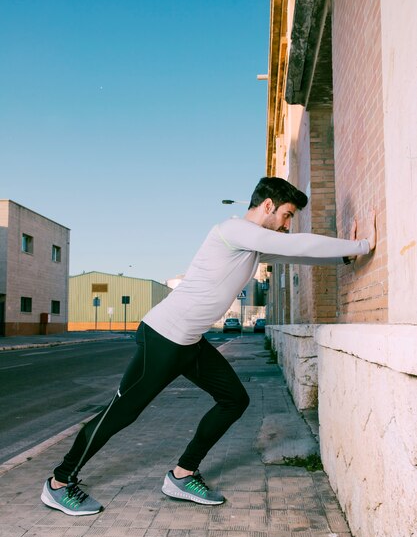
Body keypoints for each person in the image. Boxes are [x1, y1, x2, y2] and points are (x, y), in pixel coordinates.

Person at [41, 176, 376, 515]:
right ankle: (59, 482)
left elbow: (303, 256)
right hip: (163, 336)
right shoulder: (233, 230)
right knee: (122, 413)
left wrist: (346, 258)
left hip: (189, 342)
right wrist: (362, 245)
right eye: (287, 215)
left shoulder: (254, 244)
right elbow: (299, 246)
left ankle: (182, 474)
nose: (288, 225)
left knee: (234, 399)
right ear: (268, 206)